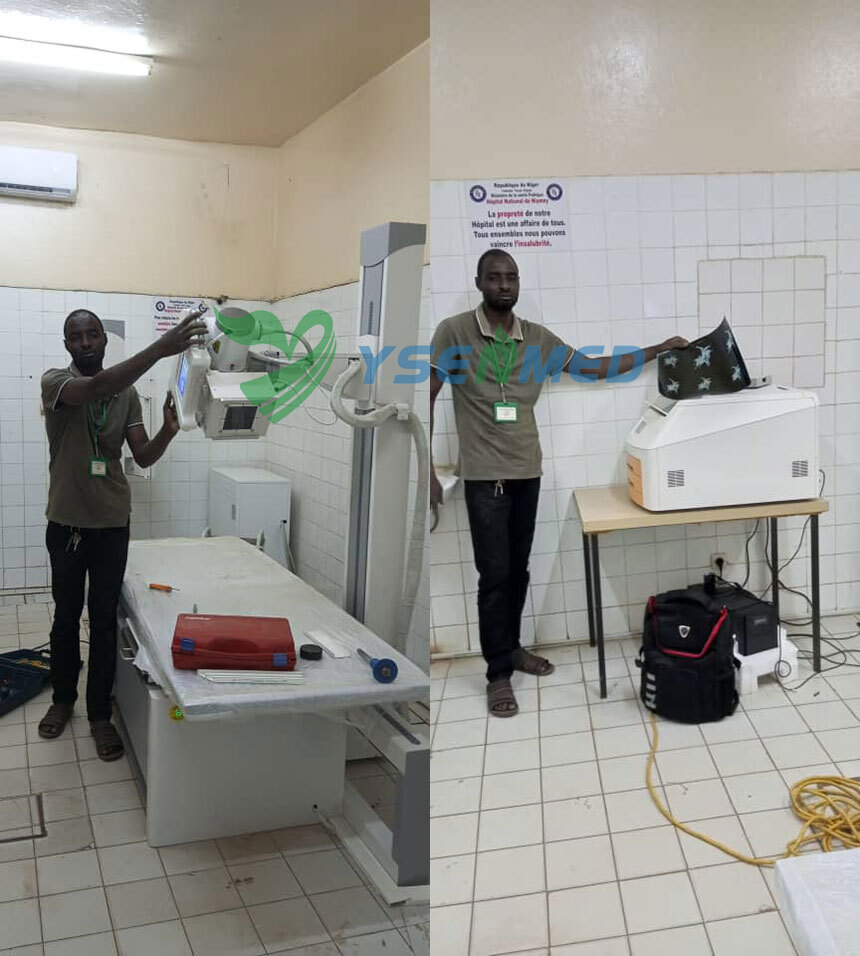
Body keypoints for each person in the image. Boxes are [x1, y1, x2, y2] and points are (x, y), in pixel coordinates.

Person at [429, 249, 687, 718]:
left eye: (511, 277)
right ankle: (498, 675)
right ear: (479, 282)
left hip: (528, 471)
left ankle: (512, 649)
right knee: (494, 577)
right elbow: (424, 395)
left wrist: (655, 351)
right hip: (485, 480)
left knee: (520, 569)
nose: (504, 285)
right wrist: (426, 469)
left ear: (518, 283)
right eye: (494, 277)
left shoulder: (537, 340)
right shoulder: (454, 333)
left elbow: (592, 367)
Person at [38, 308, 208, 760]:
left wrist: (169, 432)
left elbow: (144, 456)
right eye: (77, 336)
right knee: (65, 617)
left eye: (94, 334)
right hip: (68, 523)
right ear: (67, 344)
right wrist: (162, 348)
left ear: (104, 341)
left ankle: (98, 714)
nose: (87, 342)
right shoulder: (56, 383)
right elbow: (95, 387)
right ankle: (62, 700)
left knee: (105, 619)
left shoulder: (127, 395)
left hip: (112, 522)